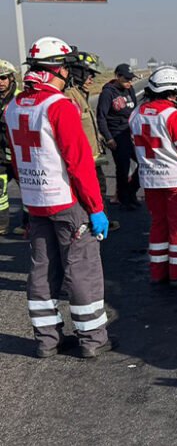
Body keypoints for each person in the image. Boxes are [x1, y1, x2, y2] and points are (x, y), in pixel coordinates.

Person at [4, 37, 110, 358]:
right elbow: (79, 164)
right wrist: (96, 208)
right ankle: (92, 340)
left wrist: (28, 199)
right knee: (81, 269)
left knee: (40, 269)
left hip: (36, 203)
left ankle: (46, 340)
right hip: (66, 202)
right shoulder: (59, 106)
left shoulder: (13, 107)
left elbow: (17, 162)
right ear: (57, 70)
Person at [129, 66, 177, 286]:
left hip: (150, 179)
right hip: (176, 181)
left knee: (158, 224)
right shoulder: (174, 115)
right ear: (173, 91)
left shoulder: (136, 114)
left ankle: (158, 271)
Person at [65, 52, 121, 235]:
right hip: (81, 159)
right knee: (88, 191)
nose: (91, 79)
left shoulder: (80, 94)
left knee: (99, 188)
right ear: (77, 73)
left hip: (91, 157)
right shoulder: (69, 96)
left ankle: (101, 216)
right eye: (88, 74)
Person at [97, 63, 140, 209]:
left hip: (130, 132)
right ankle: (124, 199)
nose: (129, 82)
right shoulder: (108, 93)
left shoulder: (130, 89)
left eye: (131, 79)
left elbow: (134, 109)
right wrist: (108, 137)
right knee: (123, 167)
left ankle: (132, 191)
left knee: (143, 163)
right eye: (126, 79)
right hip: (117, 134)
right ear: (118, 76)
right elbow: (101, 117)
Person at [0, 59, 18, 234]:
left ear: (11, 78)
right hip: (0, 157)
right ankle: (2, 225)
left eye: (4, 77)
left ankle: (29, 224)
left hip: (20, 155)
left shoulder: (20, 97)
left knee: (29, 192)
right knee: (0, 194)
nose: (1, 82)